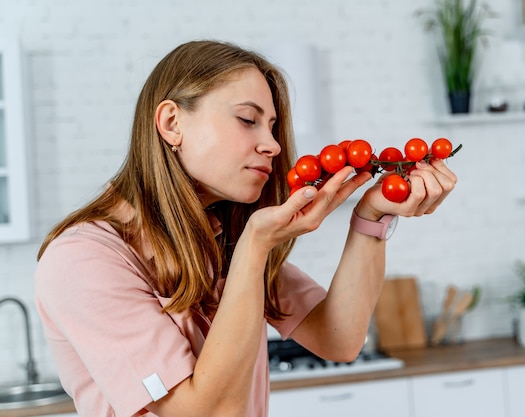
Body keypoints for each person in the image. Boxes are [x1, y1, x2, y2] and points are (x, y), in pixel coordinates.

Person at [34, 40, 457, 417]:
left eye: (272, 126)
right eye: (247, 119)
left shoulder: (222, 235)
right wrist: (254, 248)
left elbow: (340, 338)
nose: (272, 144)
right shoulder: (83, 261)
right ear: (171, 124)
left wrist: (373, 216)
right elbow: (207, 413)